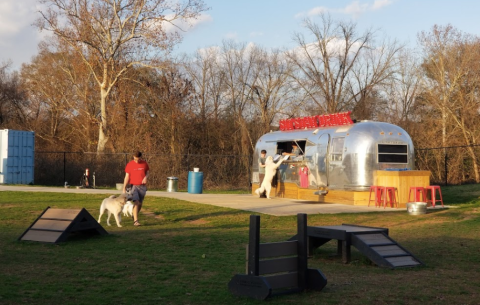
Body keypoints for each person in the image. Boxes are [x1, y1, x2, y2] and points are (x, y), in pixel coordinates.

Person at [122, 151, 150, 226]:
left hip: (142, 186)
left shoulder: (144, 164)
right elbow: (127, 176)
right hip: (133, 186)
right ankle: (136, 221)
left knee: (140, 204)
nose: (136, 161)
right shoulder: (130, 165)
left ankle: (134, 214)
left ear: (141, 157)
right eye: (135, 159)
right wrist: (124, 187)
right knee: (136, 202)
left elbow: (147, 172)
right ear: (133, 157)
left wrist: (145, 177)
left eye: (138, 159)